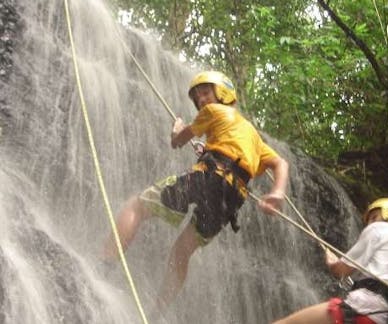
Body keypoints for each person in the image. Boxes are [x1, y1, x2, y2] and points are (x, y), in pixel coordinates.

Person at [102, 70, 289, 312]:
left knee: (136, 206)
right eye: (197, 97)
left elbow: (178, 140)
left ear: (223, 93)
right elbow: (280, 163)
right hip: (232, 198)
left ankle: (104, 267)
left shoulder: (214, 111)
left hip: (207, 178)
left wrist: (177, 128)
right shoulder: (252, 135)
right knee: (183, 250)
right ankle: (157, 313)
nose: (201, 99)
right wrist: (278, 192)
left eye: (205, 92)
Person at [273, 198, 388, 324]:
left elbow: (341, 271)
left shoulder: (379, 229)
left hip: (358, 311)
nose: (370, 223)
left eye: (373, 217)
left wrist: (332, 262)